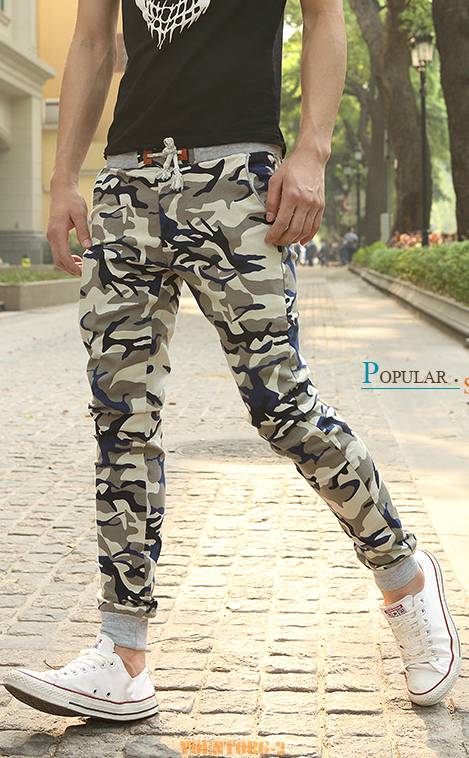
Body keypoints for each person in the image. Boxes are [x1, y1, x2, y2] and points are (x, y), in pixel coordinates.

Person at [2, 0, 460, 721]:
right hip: (128, 184)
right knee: (120, 419)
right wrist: (63, 180)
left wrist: (311, 151)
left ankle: (404, 577)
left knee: (282, 407)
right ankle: (123, 654)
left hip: (239, 181)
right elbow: (91, 41)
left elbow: (324, 16)